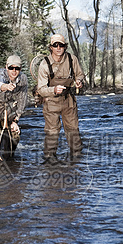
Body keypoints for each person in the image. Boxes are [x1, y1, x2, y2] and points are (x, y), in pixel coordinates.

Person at [37, 33, 85, 162]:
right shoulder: (44, 64)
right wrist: (54, 89)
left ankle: (77, 159)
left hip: (69, 100)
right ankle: (49, 158)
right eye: (55, 45)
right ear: (51, 47)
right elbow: (41, 90)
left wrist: (79, 81)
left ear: (65, 47)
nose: (58, 48)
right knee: (52, 132)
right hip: (51, 101)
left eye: (61, 45)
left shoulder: (72, 59)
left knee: (73, 129)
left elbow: (79, 74)